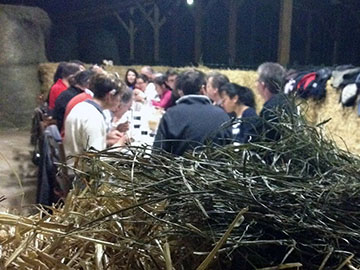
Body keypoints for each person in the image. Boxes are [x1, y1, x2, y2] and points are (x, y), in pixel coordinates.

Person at [153, 69, 232, 156]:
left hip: (178, 168)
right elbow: (229, 150)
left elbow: (157, 154)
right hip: (216, 168)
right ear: (203, 89)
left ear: (180, 91)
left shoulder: (171, 114)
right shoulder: (222, 115)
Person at [63, 73, 127, 160]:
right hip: (83, 171)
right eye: (120, 96)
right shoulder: (93, 118)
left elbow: (83, 142)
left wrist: (105, 138)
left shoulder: (81, 107)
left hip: (73, 164)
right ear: (109, 96)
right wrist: (119, 145)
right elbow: (96, 162)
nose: (120, 101)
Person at [256, 62, 294, 141]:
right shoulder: (288, 102)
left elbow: (266, 140)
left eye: (257, 81)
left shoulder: (271, 108)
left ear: (263, 84)